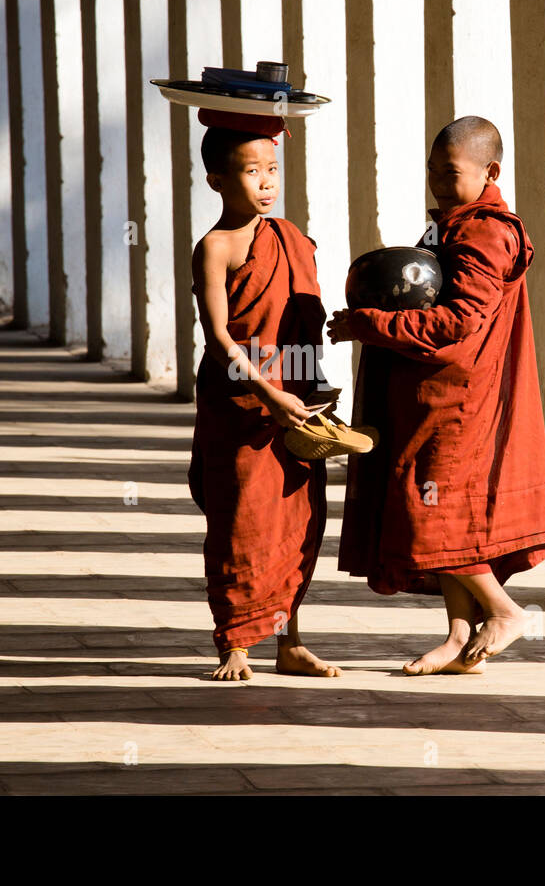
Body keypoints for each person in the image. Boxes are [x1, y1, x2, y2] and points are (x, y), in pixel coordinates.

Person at [328, 115, 545, 675]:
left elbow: (456, 322)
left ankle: (504, 612)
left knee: (429, 509)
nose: (438, 180)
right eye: (433, 170)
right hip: (434, 389)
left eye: (450, 171)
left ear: (491, 172)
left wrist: (372, 325)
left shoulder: (486, 231)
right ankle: (459, 638)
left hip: (462, 398)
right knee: (447, 514)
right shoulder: (454, 225)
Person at [189, 110, 340, 681]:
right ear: (218, 181)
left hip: (295, 397)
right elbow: (220, 336)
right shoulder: (217, 248)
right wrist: (268, 394)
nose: (267, 182)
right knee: (241, 522)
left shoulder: (293, 240)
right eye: (252, 171)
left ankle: (290, 639)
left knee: (296, 523)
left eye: (273, 168)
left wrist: (313, 385)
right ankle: (235, 642)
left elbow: (304, 322)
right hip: (241, 404)